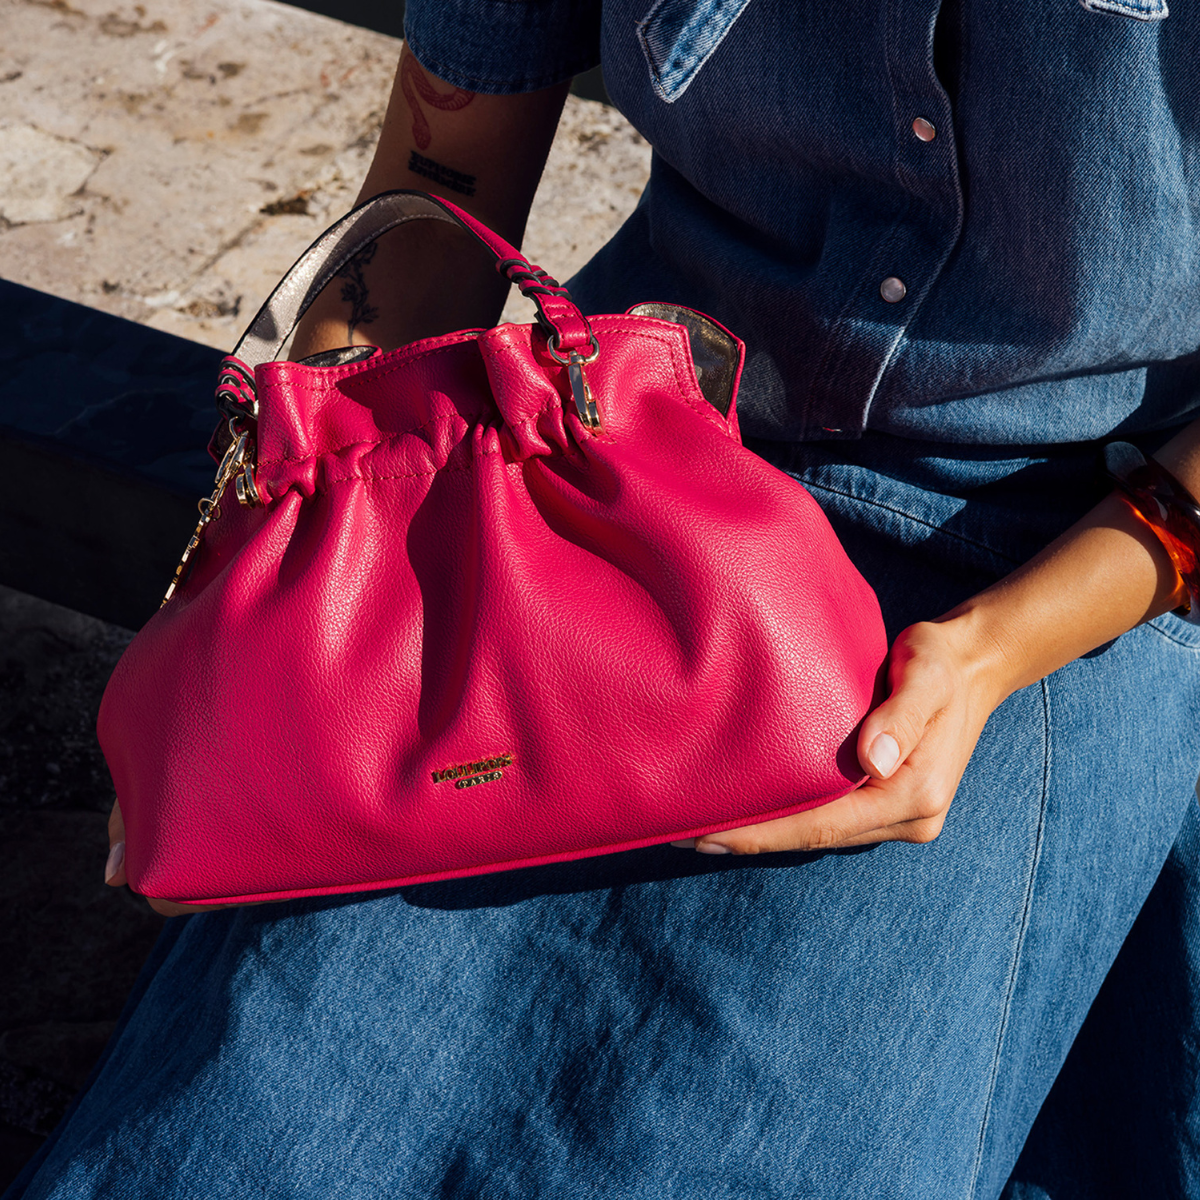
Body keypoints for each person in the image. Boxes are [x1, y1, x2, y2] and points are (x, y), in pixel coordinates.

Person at [8, 1, 1200, 1196]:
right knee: (262, 1088)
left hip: (1060, 551)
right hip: (595, 455)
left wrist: (992, 655)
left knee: (779, 1119)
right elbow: (442, 178)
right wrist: (275, 591)